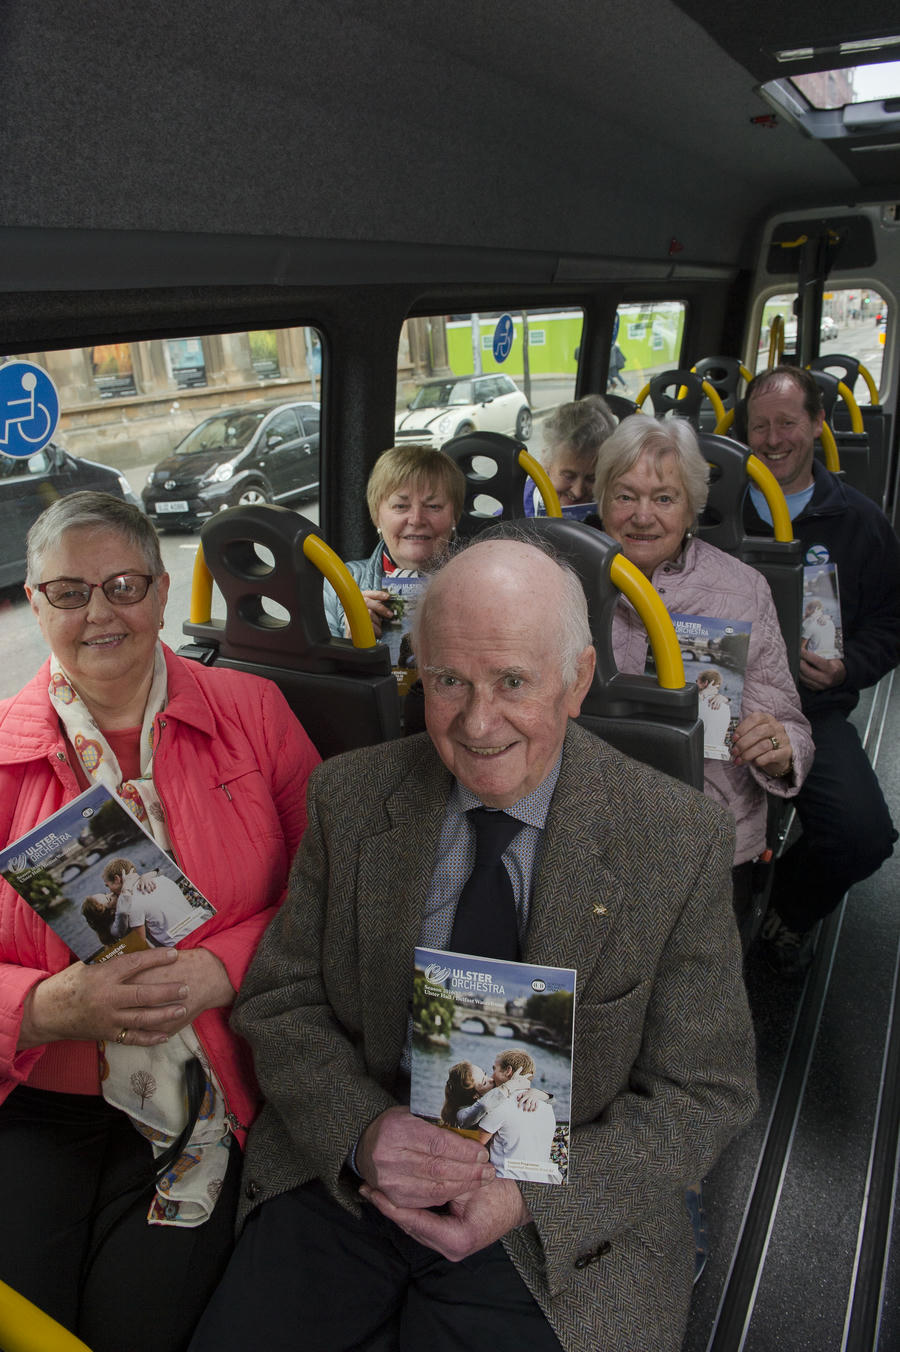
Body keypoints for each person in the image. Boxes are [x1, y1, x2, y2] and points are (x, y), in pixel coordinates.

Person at [189, 537, 757, 1352]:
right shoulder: (351, 799)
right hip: (353, 1183)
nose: (478, 722)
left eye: (513, 683)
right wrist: (364, 1135)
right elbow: (282, 1002)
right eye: (449, 681)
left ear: (578, 679)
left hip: (553, 1223)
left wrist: (532, 1197)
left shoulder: (675, 838)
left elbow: (706, 1092)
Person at [0, 491, 320, 1352]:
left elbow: (332, 896)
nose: (99, 611)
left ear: (163, 590)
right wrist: (45, 1009)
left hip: (212, 1089)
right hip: (35, 1101)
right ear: (34, 603)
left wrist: (223, 966)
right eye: (69, 592)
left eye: (123, 584)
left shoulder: (252, 716)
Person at [594, 415, 813, 939]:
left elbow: (788, 721)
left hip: (706, 829)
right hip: (588, 824)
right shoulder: (561, 579)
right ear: (600, 501)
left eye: (664, 498)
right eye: (625, 496)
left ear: (692, 507)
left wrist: (782, 750)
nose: (642, 516)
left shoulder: (742, 589)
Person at [742, 365, 900, 971]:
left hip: (810, 710)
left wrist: (846, 668)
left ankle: (786, 908)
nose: (774, 439)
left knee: (863, 836)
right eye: (760, 426)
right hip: (711, 702)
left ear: (817, 424)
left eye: (787, 423)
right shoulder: (702, 514)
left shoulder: (859, 522)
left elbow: (890, 625)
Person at [323, 444, 466, 640]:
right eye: (400, 506)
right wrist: (353, 647)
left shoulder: (485, 587)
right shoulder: (339, 584)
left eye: (433, 506)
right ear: (376, 517)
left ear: (454, 517)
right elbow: (320, 668)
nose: (416, 519)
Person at [455, 1049, 562, 1185]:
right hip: (542, 1182)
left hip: (505, 1181)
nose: (492, 1077)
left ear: (508, 1071)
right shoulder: (547, 1107)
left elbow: (475, 1148)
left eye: (494, 1069)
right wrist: (543, 1094)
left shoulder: (499, 1106)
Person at [523, 394, 616, 518]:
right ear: (546, 462)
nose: (578, 492)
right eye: (568, 476)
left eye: (592, 479)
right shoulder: (517, 512)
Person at [102, 857, 212, 947]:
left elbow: (142, 944)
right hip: (204, 927)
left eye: (108, 885)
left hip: (184, 945)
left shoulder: (132, 903)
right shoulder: (162, 879)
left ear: (117, 879)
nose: (109, 890)